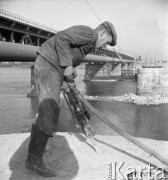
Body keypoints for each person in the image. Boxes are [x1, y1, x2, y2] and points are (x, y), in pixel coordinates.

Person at [25, 21, 117, 177]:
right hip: (48, 65)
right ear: (101, 33)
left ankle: (36, 147)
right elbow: (61, 38)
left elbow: (67, 52)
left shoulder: (88, 44)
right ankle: (34, 160)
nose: (104, 46)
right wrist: (68, 66)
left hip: (53, 68)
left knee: (47, 110)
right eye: (106, 41)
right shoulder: (89, 33)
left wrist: (67, 76)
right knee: (50, 110)